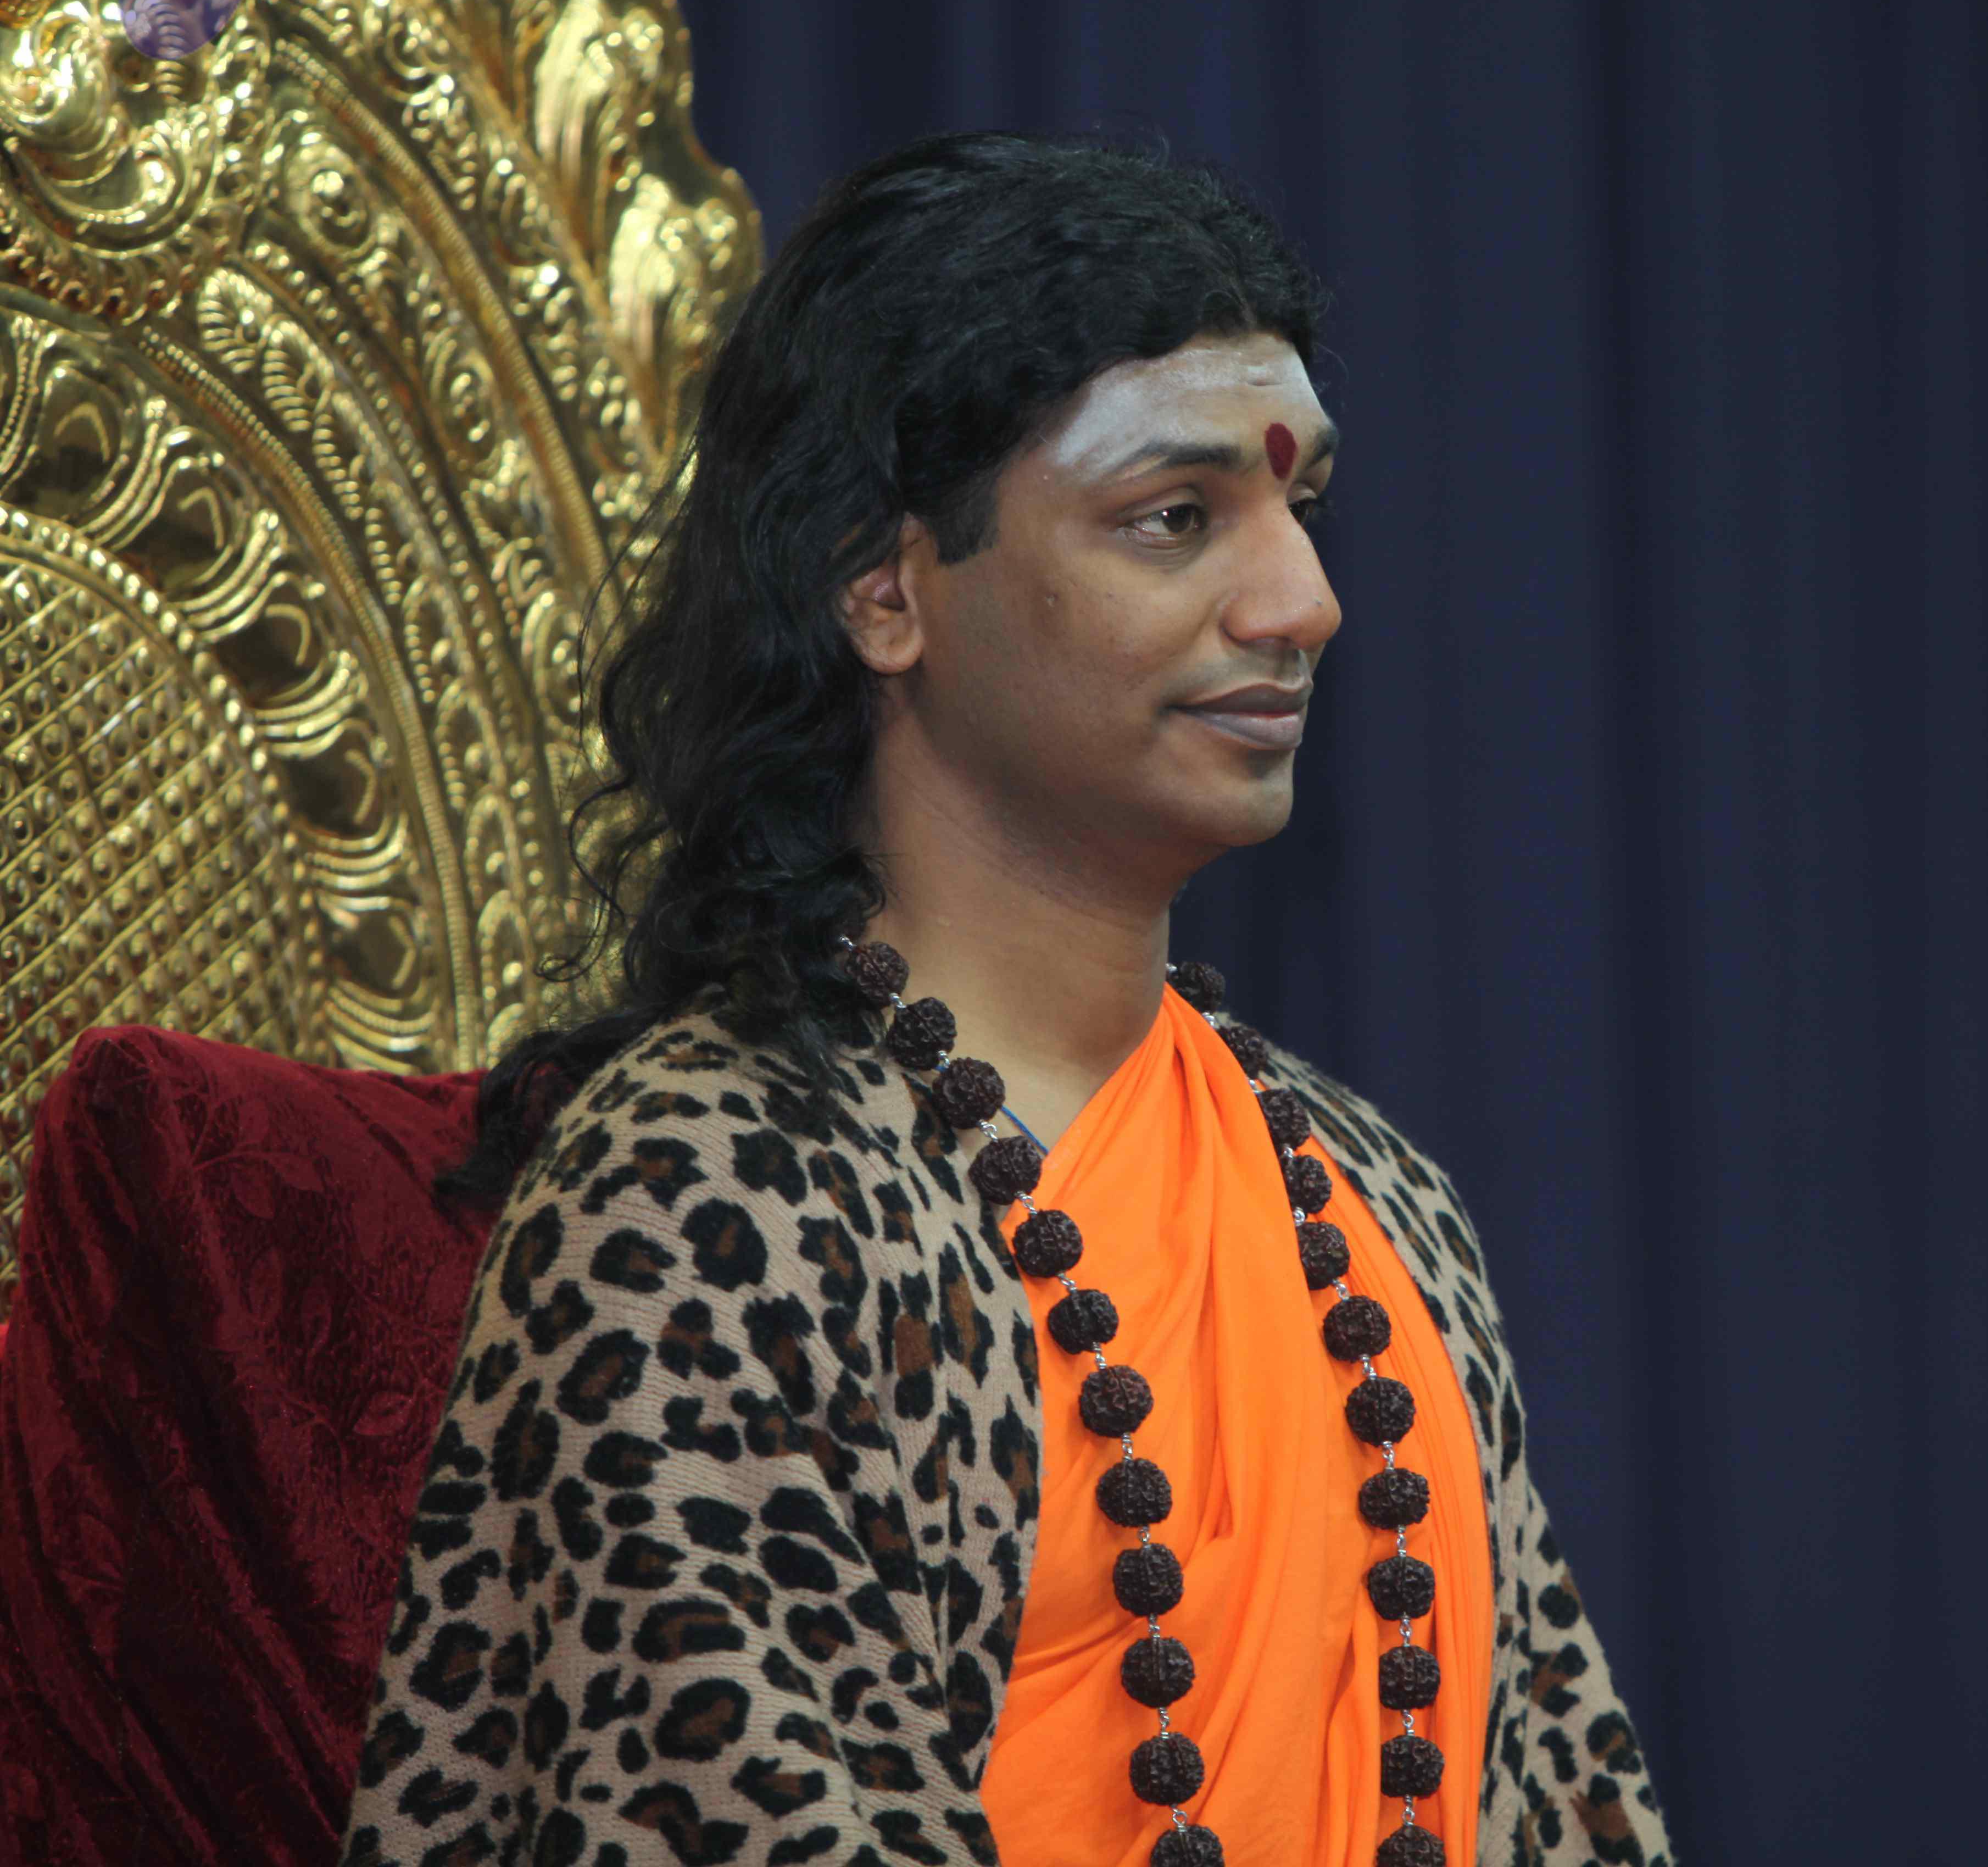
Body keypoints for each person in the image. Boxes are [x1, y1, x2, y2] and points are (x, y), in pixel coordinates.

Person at [336, 134, 1672, 1867]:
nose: (1305, 604)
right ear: (885, 590)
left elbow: (1563, 1793)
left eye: (1304, 513)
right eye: (1175, 519)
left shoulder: (1373, 1201)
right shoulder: (701, 1194)